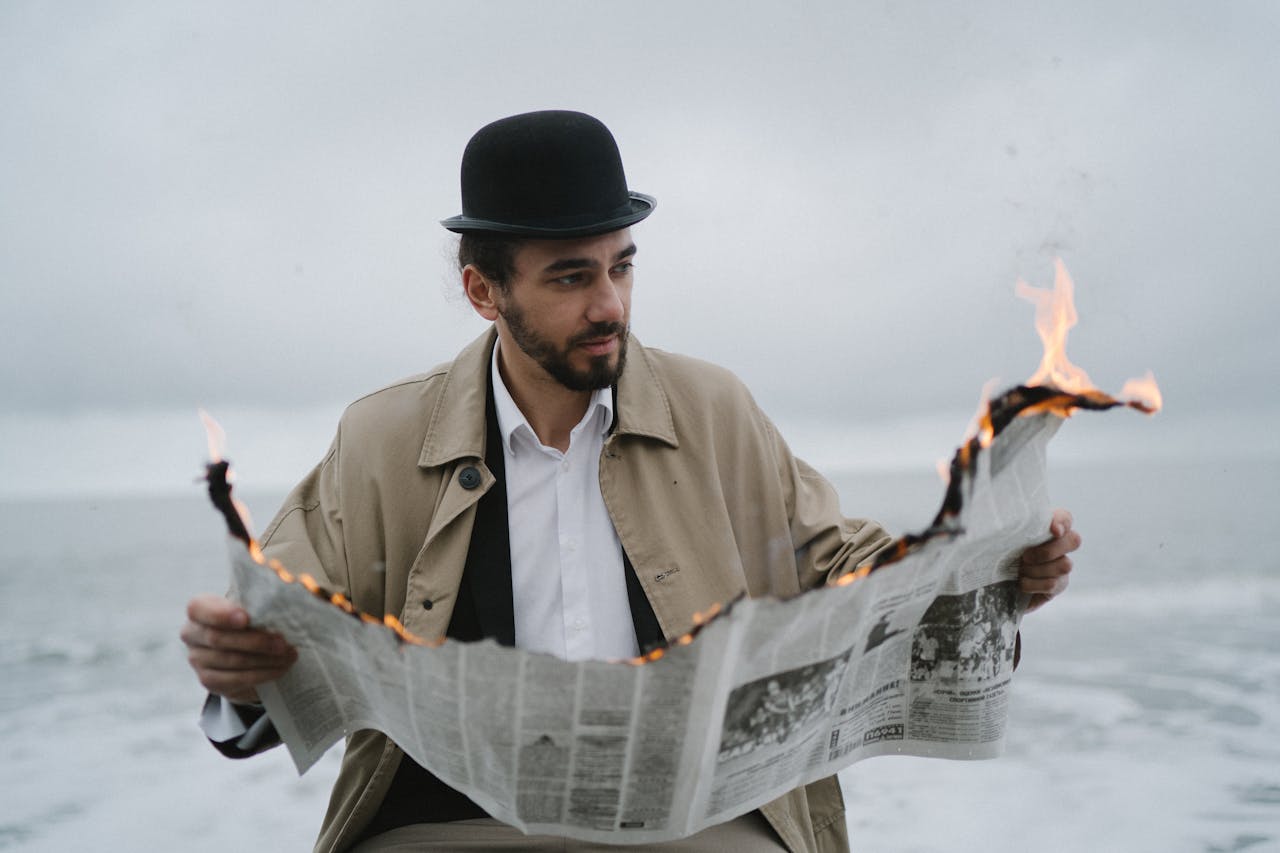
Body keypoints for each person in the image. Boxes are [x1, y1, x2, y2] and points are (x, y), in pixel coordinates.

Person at [181, 110, 1080, 853]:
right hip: (454, 825)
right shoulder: (379, 437)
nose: (609, 302)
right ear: (483, 291)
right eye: (572, 277)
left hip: (698, 824)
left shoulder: (714, 407)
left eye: (621, 265)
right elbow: (277, 620)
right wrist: (236, 669)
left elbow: (838, 563)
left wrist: (993, 572)